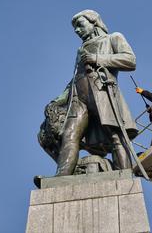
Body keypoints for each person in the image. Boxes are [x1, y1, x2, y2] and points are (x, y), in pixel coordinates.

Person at [56, 10, 138, 176]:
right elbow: (76, 76)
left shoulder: (113, 38)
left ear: (94, 22)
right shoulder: (81, 50)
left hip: (102, 92)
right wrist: (60, 99)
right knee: (69, 135)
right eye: (75, 29)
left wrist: (97, 58)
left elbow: (130, 60)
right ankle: (62, 175)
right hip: (79, 97)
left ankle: (124, 174)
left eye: (80, 25)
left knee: (115, 136)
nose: (77, 31)